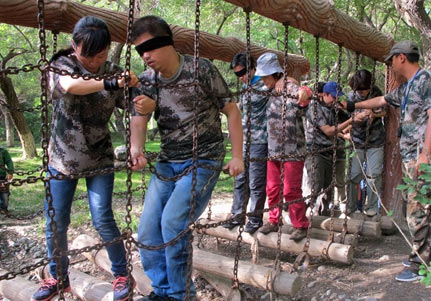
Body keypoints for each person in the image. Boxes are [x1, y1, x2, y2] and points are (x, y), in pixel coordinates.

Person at [129, 15, 244, 300]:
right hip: (169, 161)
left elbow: (231, 110)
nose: (146, 56)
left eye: (150, 47)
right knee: (146, 232)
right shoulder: (146, 80)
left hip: (204, 158)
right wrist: (136, 150)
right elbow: (139, 117)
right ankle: (163, 290)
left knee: (172, 224)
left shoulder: (201, 70)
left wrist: (237, 155)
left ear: (167, 43)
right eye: (139, 51)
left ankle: (182, 295)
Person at [32, 16, 138, 301]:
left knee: (103, 218)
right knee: (56, 221)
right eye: (87, 55)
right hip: (61, 160)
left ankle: (122, 274)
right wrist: (111, 83)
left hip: (99, 157)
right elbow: (69, 86)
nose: (93, 62)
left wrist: (138, 87)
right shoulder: (61, 65)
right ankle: (58, 277)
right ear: (73, 46)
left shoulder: (114, 71)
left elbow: (137, 106)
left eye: (100, 55)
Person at [344, 40, 431, 282]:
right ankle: (422, 253)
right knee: (417, 206)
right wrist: (353, 104)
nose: (391, 65)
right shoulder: (408, 86)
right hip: (412, 156)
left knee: (418, 209)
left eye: (392, 59)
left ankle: (419, 264)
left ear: (401, 58)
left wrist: (425, 153)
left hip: (421, 158)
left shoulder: (426, 80)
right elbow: (382, 101)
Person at [254, 52, 310, 241]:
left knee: (291, 190)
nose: (262, 80)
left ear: (275, 73)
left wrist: (304, 91)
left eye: (265, 76)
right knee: (272, 188)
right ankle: (274, 220)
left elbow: (305, 97)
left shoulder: (291, 87)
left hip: (293, 150)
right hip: (273, 150)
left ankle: (301, 225)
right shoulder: (267, 90)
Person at [221, 52, 268, 234]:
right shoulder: (245, 88)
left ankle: (255, 219)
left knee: (256, 183)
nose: (241, 77)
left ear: (253, 68)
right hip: (244, 141)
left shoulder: (266, 84)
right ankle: (237, 215)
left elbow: (287, 83)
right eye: (237, 74)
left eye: (243, 73)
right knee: (240, 180)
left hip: (260, 141)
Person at [305, 81, 352, 216]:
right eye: (333, 96)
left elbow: (340, 126)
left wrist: (347, 126)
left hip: (330, 151)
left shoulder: (333, 108)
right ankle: (309, 211)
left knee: (328, 188)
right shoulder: (314, 107)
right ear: (324, 94)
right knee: (315, 183)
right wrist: (349, 122)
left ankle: (324, 213)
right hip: (316, 151)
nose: (335, 100)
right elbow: (328, 131)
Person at [346, 69, 384, 217]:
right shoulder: (350, 96)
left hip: (375, 140)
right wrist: (356, 117)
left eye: (365, 89)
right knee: (354, 174)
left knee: (373, 175)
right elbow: (346, 116)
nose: (362, 92)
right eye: (359, 90)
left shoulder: (377, 92)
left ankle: (372, 209)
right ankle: (351, 207)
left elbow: (385, 111)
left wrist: (374, 114)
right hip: (357, 140)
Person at [0, 146, 14, 211]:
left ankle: (3, 208)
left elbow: (9, 161)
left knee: (4, 193)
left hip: (2, 176)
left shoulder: (3, 151)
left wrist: (10, 172)